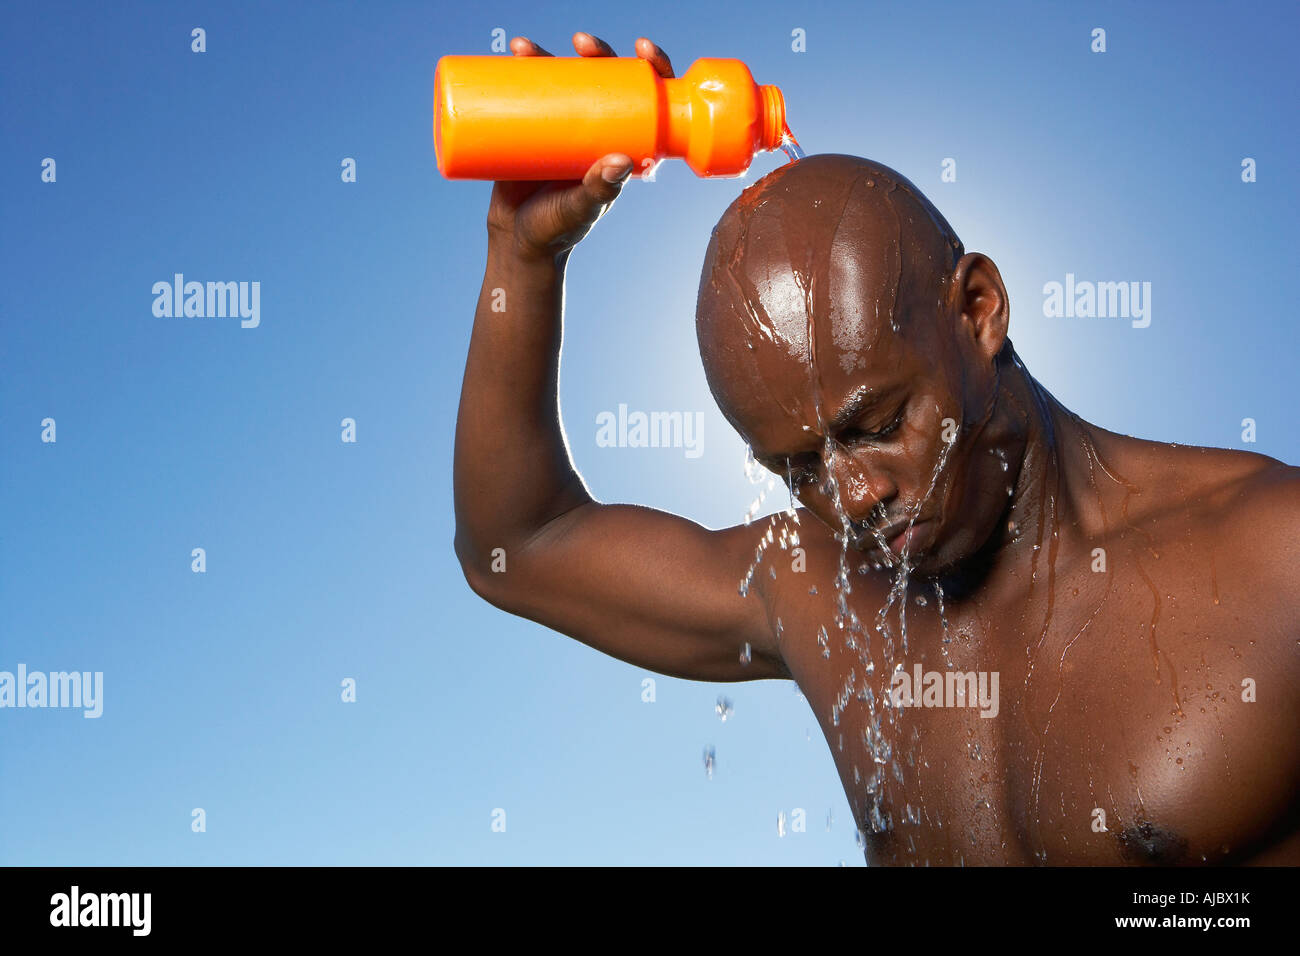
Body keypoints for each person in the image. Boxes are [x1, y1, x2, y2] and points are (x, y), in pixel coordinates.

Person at [454, 32, 1300, 865]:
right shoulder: (814, 590)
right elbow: (518, 547)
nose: (852, 496)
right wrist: (525, 255)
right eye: (797, 469)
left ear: (978, 310)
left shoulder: (1273, 553)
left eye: (880, 425)